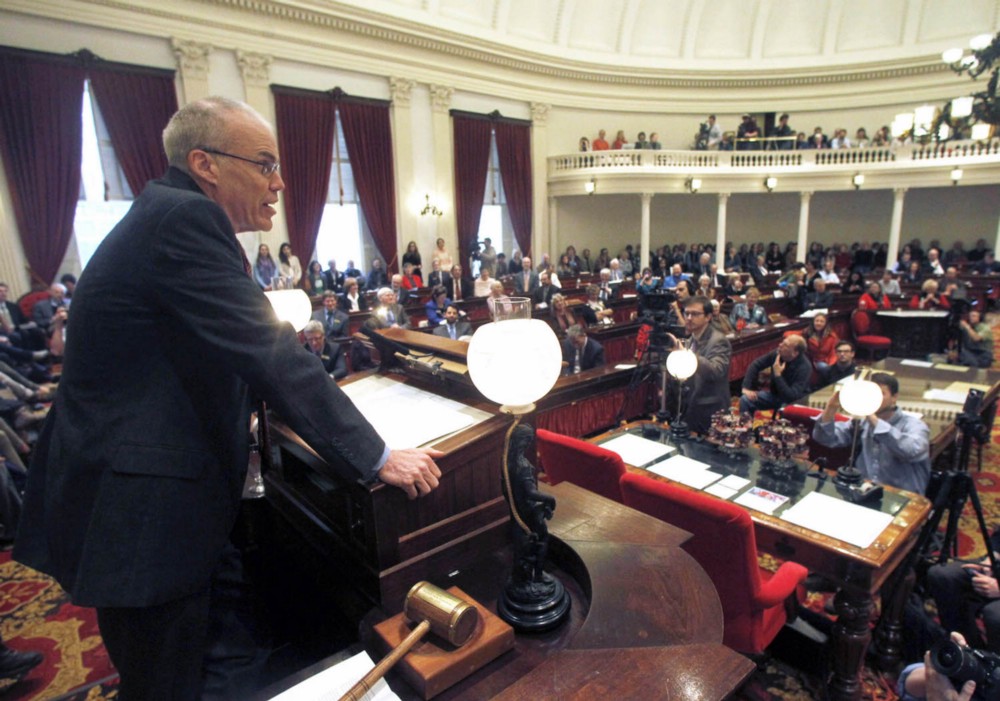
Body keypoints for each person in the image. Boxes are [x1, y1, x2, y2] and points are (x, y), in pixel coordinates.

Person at [13, 97, 443, 701]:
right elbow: (270, 355)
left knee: (218, 662)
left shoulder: (169, 214)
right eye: (265, 164)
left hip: (159, 501)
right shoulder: (184, 221)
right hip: (145, 519)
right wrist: (376, 457)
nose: (279, 183)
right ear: (205, 163)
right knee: (174, 683)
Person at [813, 373, 930, 494]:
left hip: (902, 495)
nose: (874, 399)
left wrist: (872, 417)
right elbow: (825, 438)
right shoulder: (862, 422)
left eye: (880, 394)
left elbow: (910, 451)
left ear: (894, 397)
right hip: (865, 489)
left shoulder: (915, 426)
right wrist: (831, 408)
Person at [667, 296, 732, 434]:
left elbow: (716, 371)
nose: (689, 318)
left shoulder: (719, 340)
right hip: (691, 406)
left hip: (710, 408)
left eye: (695, 314)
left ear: (708, 317)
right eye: (686, 313)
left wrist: (686, 354)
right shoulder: (691, 339)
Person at [739, 335, 811, 415]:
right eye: (782, 342)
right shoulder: (777, 353)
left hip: (794, 402)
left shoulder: (804, 367)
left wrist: (778, 375)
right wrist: (746, 387)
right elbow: (755, 365)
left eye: (785, 345)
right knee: (745, 400)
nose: (780, 345)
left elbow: (791, 396)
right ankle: (746, 425)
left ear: (795, 353)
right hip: (774, 396)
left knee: (785, 411)